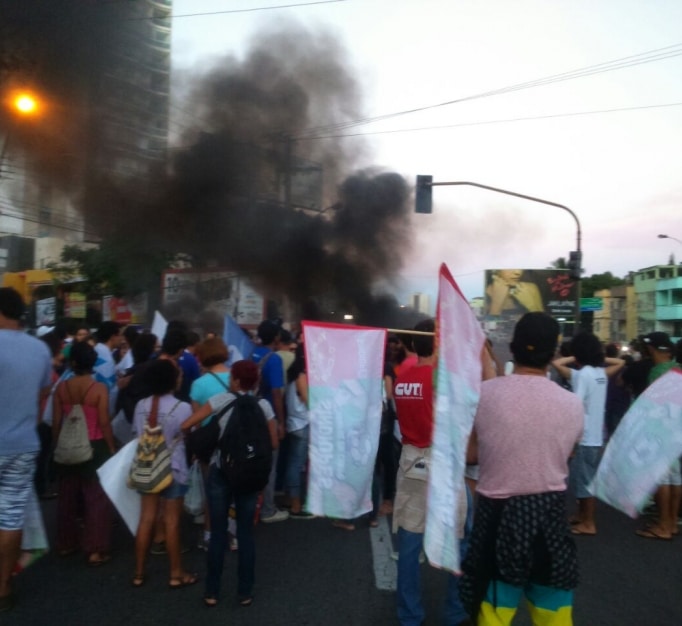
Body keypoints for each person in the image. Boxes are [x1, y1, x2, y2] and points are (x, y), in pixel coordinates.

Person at [461, 312, 584, 625]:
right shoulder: (573, 404)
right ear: (553, 354)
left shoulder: (485, 395)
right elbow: (566, 453)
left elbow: (471, 455)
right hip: (550, 518)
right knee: (554, 616)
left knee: (493, 615)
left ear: (513, 348)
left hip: (497, 518)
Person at [181, 360, 279, 608]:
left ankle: (212, 591)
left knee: (217, 533)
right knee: (246, 534)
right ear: (255, 382)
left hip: (221, 472)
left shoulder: (220, 401)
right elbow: (274, 443)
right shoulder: (264, 406)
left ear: (234, 380)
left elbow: (187, 424)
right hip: (250, 476)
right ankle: (244, 592)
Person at [392, 319, 470, 626]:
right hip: (442, 463)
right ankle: (454, 611)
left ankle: (409, 616)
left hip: (411, 462)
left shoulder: (402, 378)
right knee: (459, 538)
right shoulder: (443, 381)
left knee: (410, 545)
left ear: (413, 345)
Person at [0, 288, 53, 613]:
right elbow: (42, 395)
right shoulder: (39, 350)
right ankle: (3, 586)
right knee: (10, 516)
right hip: (22, 445)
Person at [131, 359, 196, 589]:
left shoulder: (140, 406)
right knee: (172, 521)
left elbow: (136, 433)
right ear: (172, 380)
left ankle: (139, 573)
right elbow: (190, 434)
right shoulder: (183, 408)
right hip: (174, 468)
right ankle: (176, 573)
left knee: (146, 518)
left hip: (147, 467)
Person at [552, 332, 625, 536]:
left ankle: (589, 523)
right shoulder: (599, 374)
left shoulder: (583, 375)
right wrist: (597, 357)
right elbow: (619, 362)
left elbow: (574, 404)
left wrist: (575, 357)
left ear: (578, 352)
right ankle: (581, 516)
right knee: (582, 479)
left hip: (584, 437)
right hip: (595, 437)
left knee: (584, 482)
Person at [52, 341, 116, 566]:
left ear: (73, 363)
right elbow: (104, 422)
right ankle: (95, 549)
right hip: (95, 445)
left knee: (67, 497)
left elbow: (57, 421)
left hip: (67, 445)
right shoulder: (99, 389)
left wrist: (56, 445)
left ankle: (66, 543)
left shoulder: (62, 388)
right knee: (96, 499)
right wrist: (110, 446)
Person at [635, 331, 682, 540]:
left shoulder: (657, 372)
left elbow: (653, 405)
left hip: (662, 430)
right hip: (678, 429)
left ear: (652, 349)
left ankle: (662, 526)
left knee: (661, 478)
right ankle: (671, 522)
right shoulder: (678, 369)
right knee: (676, 479)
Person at [251, 320, 288, 523]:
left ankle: (252, 505)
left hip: (250, 413)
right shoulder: (274, 359)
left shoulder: (252, 353)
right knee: (270, 463)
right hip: (267, 416)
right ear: (276, 338)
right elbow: (276, 392)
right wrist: (281, 422)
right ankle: (267, 509)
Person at [284, 344, 314, 519]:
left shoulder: (293, 373)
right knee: (297, 464)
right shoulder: (301, 376)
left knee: (294, 463)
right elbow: (307, 400)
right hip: (301, 424)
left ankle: (291, 498)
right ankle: (296, 505)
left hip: (295, 423)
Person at [93, 321, 122, 416]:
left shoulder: (96, 350)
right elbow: (108, 391)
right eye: (119, 335)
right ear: (113, 337)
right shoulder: (106, 359)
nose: (121, 339)